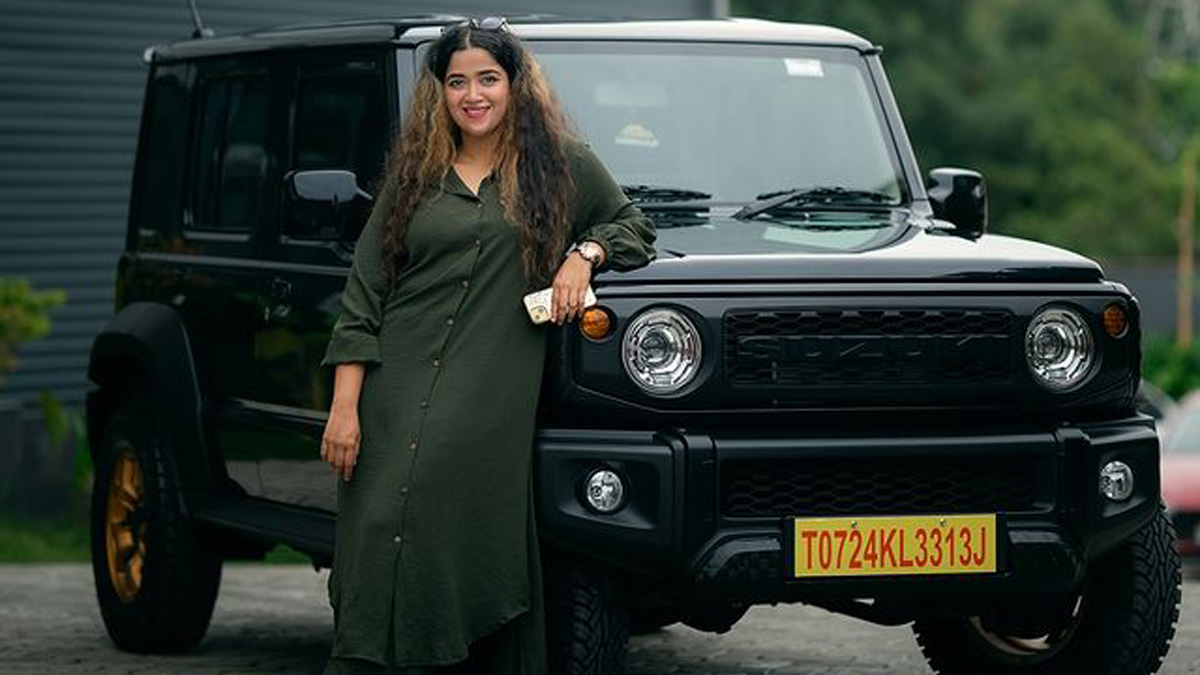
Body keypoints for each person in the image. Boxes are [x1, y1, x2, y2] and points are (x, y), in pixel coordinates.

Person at [317, 17, 657, 675]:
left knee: (452, 531)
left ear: (515, 84)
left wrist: (583, 254)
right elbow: (365, 293)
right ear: (439, 92)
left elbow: (631, 224)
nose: (473, 95)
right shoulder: (415, 175)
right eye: (457, 82)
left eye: (488, 79)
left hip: (486, 395)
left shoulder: (559, 165)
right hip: (392, 387)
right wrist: (345, 406)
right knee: (376, 528)